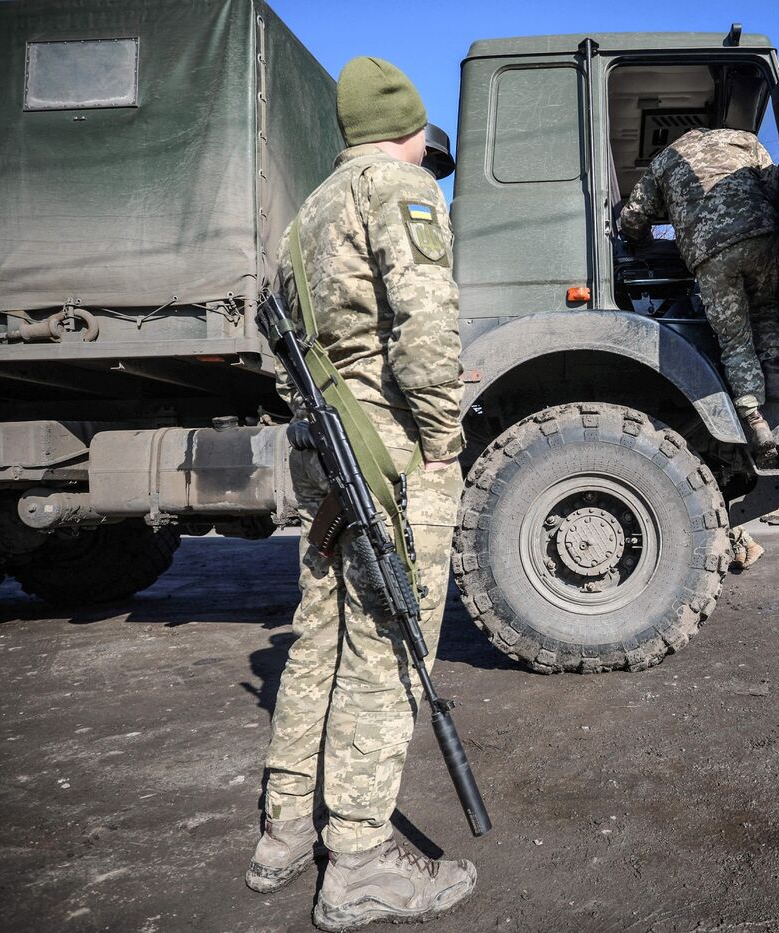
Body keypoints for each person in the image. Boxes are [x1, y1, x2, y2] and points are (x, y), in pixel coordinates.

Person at [244, 57, 475, 929]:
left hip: (328, 456)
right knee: (388, 650)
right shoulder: (401, 189)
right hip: (388, 460)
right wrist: (443, 443)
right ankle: (362, 863)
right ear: (408, 126)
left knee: (320, 636)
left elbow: (297, 354)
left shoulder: (303, 219)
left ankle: (283, 833)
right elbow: (425, 327)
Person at [617, 82, 779, 458]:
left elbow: (633, 218)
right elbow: (776, 190)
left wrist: (641, 240)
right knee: (765, 310)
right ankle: (775, 377)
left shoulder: (664, 160)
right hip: (761, 238)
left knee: (735, 339)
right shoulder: (743, 140)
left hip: (712, 257)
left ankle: (755, 418)